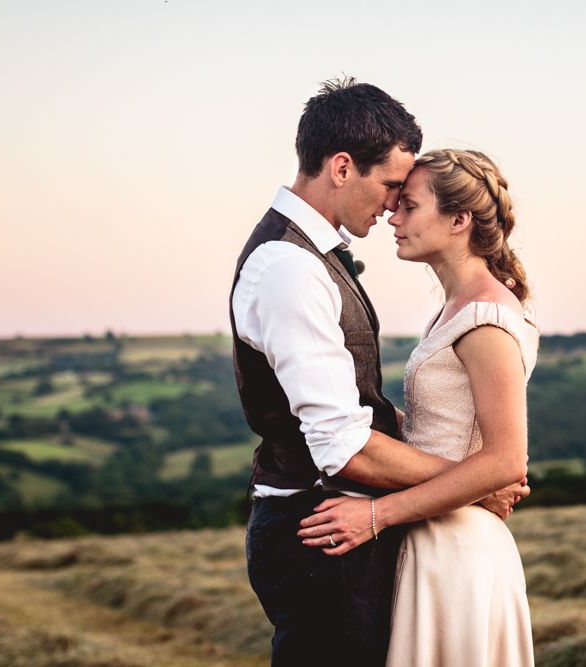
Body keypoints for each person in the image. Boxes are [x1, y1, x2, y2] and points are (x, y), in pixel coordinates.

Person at [229, 78, 529, 667]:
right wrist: (475, 483)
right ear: (342, 168)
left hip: (354, 528)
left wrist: (464, 486)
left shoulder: (308, 257)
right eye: (392, 186)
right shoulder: (290, 267)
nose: (393, 205)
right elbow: (342, 445)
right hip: (320, 527)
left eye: (406, 197)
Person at [298, 148, 539, 666]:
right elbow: (445, 426)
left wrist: (374, 515)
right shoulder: (457, 308)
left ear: (458, 220)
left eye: (409, 206)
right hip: (433, 533)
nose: (393, 216)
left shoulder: (487, 318)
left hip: (458, 550)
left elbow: (506, 461)